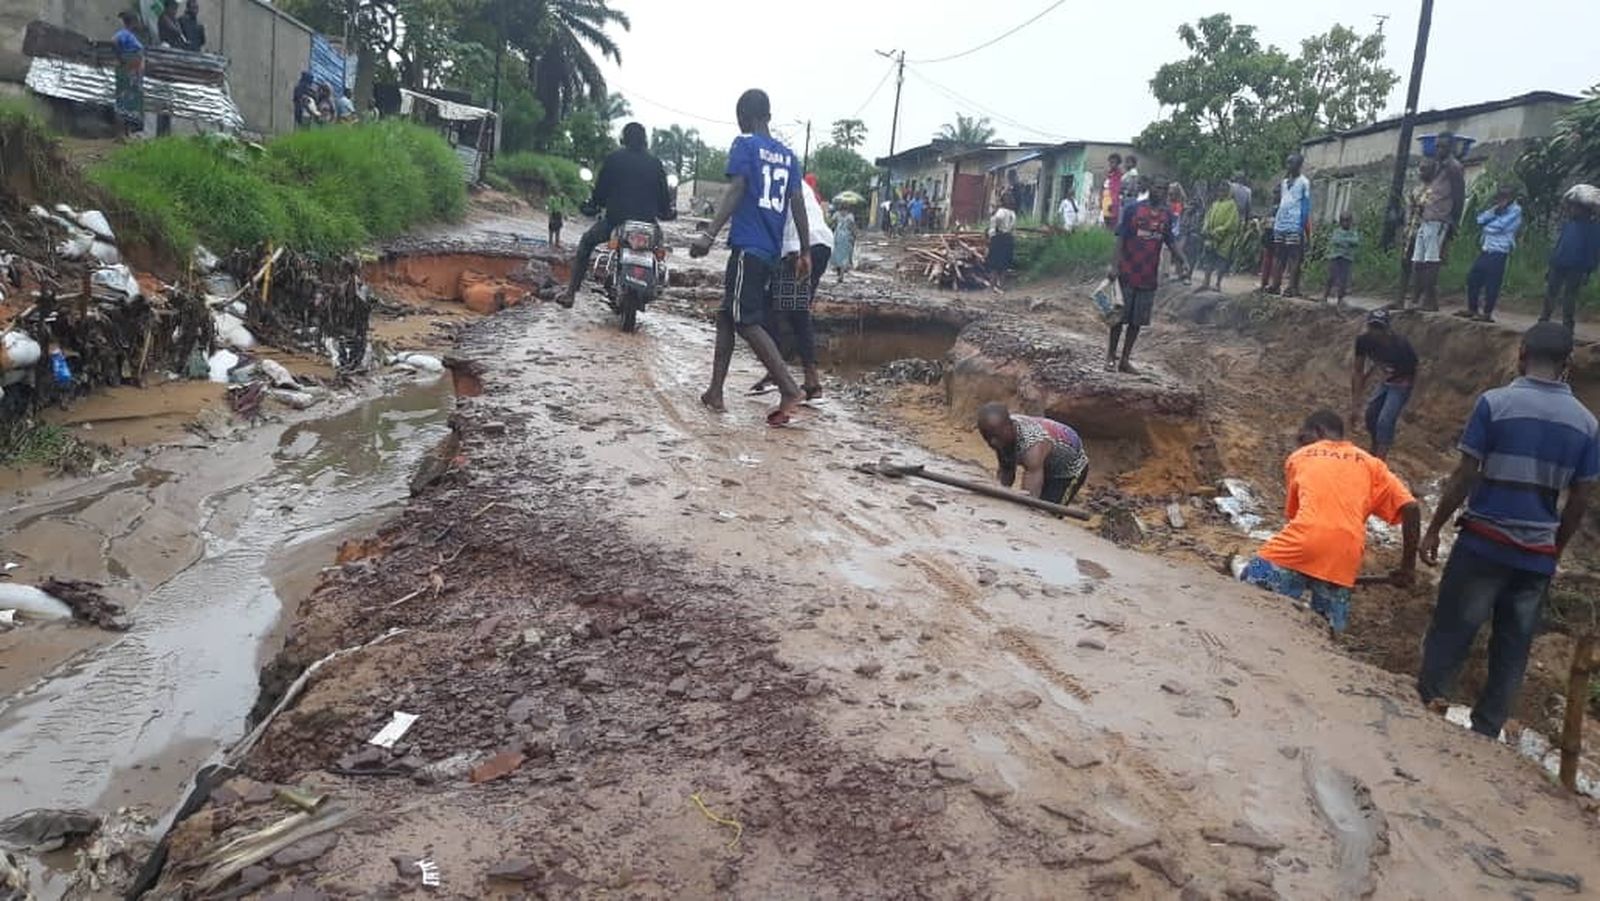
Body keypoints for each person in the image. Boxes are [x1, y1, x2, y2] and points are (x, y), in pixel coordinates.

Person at [1418, 322, 1598, 738]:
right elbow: (1580, 500)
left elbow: (1465, 475)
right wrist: (1554, 550)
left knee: (1452, 631)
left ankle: (1429, 712)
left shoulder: (1494, 404)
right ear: (1567, 364)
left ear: (1521, 355)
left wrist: (1435, 528)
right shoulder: (1587, 425)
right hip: (1536, 557)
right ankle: (1486, 730)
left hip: (1483, 543)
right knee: (1513, 648)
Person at [689, 89, 812, 426]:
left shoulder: (744, 145)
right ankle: (715, 391)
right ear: (768, 116)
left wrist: (709, 234)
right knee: (727, 315)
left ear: (743, 117)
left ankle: (789, 388)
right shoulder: (789, 157)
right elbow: (798, 204)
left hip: (747, 247)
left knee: (744, 320)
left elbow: (737, 189)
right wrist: (804, 251)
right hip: (770, 250)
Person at [1239, 410, 1420, 634]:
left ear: (1318, 431)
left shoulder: (1300, 456)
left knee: (1249, 586)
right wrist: (1407, 567)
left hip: (1303, 544)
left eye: (1303, 438)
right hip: (1345, 555)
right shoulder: (1373, 465)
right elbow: (1411, 508)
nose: (1301, 444)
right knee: (1326, 632)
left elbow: (1296, 518)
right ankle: (1328, 636)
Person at [559, 122, 673, 307]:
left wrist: (594, 204)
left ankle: (571, 292)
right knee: (659, 250)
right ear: (645, 140)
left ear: (623, 139)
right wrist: (667, 211)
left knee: (586, 242)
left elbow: (600, 191)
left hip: (616, 221)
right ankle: (656, 284)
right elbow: (664, 197)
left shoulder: (614, 159)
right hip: (647, 224)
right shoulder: (655, 163)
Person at [752, 174, 833, 400]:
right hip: (820, 244)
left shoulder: (772, 178)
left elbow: (779, 222)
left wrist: (796, 252)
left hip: (799, 247)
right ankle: (784, 372)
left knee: (787, 312)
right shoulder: (795, 178)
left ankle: (807, 379)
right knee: (786, 309)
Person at [1107, 180, 1185, 373]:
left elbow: (1170, 241)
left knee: (1137, 322)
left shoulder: (1167, 215)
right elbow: (1121, 238)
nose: (1162, 192)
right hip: (1127, 272)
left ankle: (1125, 359)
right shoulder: (1133, 210)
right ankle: (1110, 356)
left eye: (1165, 189)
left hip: (1148, 276)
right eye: (1158, 187)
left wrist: (1182, 260)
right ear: (1150, 188)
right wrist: (1114, 265)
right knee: (1118, 318)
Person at [976, 403, 1090, 507]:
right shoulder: (1001, 431)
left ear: (1010, 426)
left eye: (997, 436)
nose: (993, 442)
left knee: (1047, 512)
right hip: (1046, 462)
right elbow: (1006, 471)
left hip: (1068, 471)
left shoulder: (1033, 445)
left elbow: (1030, 499)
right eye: (987, 436)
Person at [1351, 309, 1418, 461]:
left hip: (1403, 382)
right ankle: (1375, 446)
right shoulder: (1363, 341)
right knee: (1371, 416)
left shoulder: (1400, 345)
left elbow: (1417, 371)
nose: (1375, 332)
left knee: (1385, 420)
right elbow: (1358, 370)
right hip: (1386, 380)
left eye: (1379, 328)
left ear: (1387, 329)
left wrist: (1412, 402)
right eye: (1373, 327)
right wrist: (1355, 404)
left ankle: (1381, 460)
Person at [1411, 135, 1465, 312]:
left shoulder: (1453, 167)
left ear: (1451, 148)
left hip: (1439, 218)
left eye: (1443, 147)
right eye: (1437, 146)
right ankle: (1418, 297)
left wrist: (1454, 221)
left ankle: (1429, 299)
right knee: (1418, 260)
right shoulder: (1437, 166)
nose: (1439, 150)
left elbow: (1458, 196)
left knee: (1431, 260)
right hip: (1426, 217)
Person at [1539, 196, 1600, 332]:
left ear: (1584, 210)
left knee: (1570, 296)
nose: (1572, 210)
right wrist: (1550, 265)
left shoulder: (1593, 228)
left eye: (1575, 207)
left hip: (1577, 266)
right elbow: (1559, 245)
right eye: (1572, 207)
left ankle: (1567, 325)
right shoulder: (1569, 224)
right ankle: (1543, 319)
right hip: (1559, 263)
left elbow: (1594, 250)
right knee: (1551, 292)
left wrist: (1588, 271)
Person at [1463, 185, 1522, 323]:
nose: (1501, 200)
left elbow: (1498, 226)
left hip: (1499, 250)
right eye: (1500, 197)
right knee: (1473, 278)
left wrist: (1487, 225)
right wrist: (1495, 214)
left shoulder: (1516, 210)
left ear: (1510, 198)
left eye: (1504, 198)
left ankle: (1487, 313)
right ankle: (1472, 309)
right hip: (1486, 249)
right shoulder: (1496, 209)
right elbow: (1480, 219)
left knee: (1492, 283)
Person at [1265, 154, 1311, 296]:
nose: (1289, 166)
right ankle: (1275, 285)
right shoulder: (1284, 183)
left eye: (1292, 163)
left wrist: (1302, 225)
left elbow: (1305, 205)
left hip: (1295, 223)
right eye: (1288, 163)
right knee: (1279, 254)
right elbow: (1280, 202)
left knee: (1294, 256)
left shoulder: (1304, 182)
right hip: (1281, 223)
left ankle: (1291, 287)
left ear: (1299, 165)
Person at [1398, 158, 1438, 304]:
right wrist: (1405, 227)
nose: (1421, 172)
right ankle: (1401, 298)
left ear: (1433, 171)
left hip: (1426, 230)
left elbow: (1430, 210)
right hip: (1411, 230)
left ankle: (1418, 298)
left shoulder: (1436, 190)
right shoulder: (1416, 189)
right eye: (1420, 169)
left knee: (1421, 265)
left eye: (1424, 169)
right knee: (1405, 263)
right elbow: (1408, 209)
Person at [1196, 188, 1241, 292]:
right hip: (1211, 236)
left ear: (1228, 192)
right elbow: (1208, 217)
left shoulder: (1232, 205)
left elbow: (1231, 222)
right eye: (1219, 191)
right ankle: (1206, 282)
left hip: (1225, 238)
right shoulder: (1215, 204)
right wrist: (1206, 228)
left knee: (1221, 260)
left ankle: (1218, 284)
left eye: (1223, 191)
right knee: (1209, 258)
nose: (1220, 193)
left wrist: (1220, 230)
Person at [112, 12, 145, 140]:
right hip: (127, 72)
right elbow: (114, 41)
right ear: (133, 22)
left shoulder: (131, 36)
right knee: (123, 101)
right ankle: (120, 134)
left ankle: (126, 133)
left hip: (133, 73)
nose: (139, 24)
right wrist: (121, 59)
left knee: (129, 103)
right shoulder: (124, 34)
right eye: (137, 21)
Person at [1323, 211, 1359, 306]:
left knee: (1344, 280)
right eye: (1343, 221)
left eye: (1347, 221)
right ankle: (1325, 296)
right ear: (1340, 222)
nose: (1345, 223)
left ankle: (1340, 298)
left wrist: (1343, 241)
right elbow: (1335, 240)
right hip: (1335, 257)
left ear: (1351, 222)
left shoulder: (1353, 232)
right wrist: (1347, 242)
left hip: (1346, 259)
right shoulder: (1337, 231)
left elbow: (1355, 242)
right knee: (1331, 277)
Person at [986, 193, 1017, 289]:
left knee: (994, 263)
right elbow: (1013, 228)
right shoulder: (1013, 213)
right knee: (1004, 264)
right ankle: (1001, 285)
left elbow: (996, 220)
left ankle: (992, 285)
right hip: (1008, 238)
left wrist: (992, 233)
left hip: (998, 238)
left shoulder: (1001, 212)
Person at [832, 203, 857, 282]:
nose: (843, 212)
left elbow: (832, 225)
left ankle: (840, 273)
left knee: (840, 256)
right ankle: (840, 273)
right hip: (844, 237)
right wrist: (854, 236)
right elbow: (852, 228)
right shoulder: (849, 217)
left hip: (840, 237)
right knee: (842, 256)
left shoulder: (837, 215)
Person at [1101, 153, 1123, 229]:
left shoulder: (1119, 175)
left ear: (1118, 164)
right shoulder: (1108, 174)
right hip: (1105, 201)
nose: (1111, 164)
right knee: (1105, 224)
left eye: (1113, 162)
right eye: (1110, 162)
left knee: (1112, 224)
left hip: (1113, 203)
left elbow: (1117, 191)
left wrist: (1113, 204)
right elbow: (1103, 187)